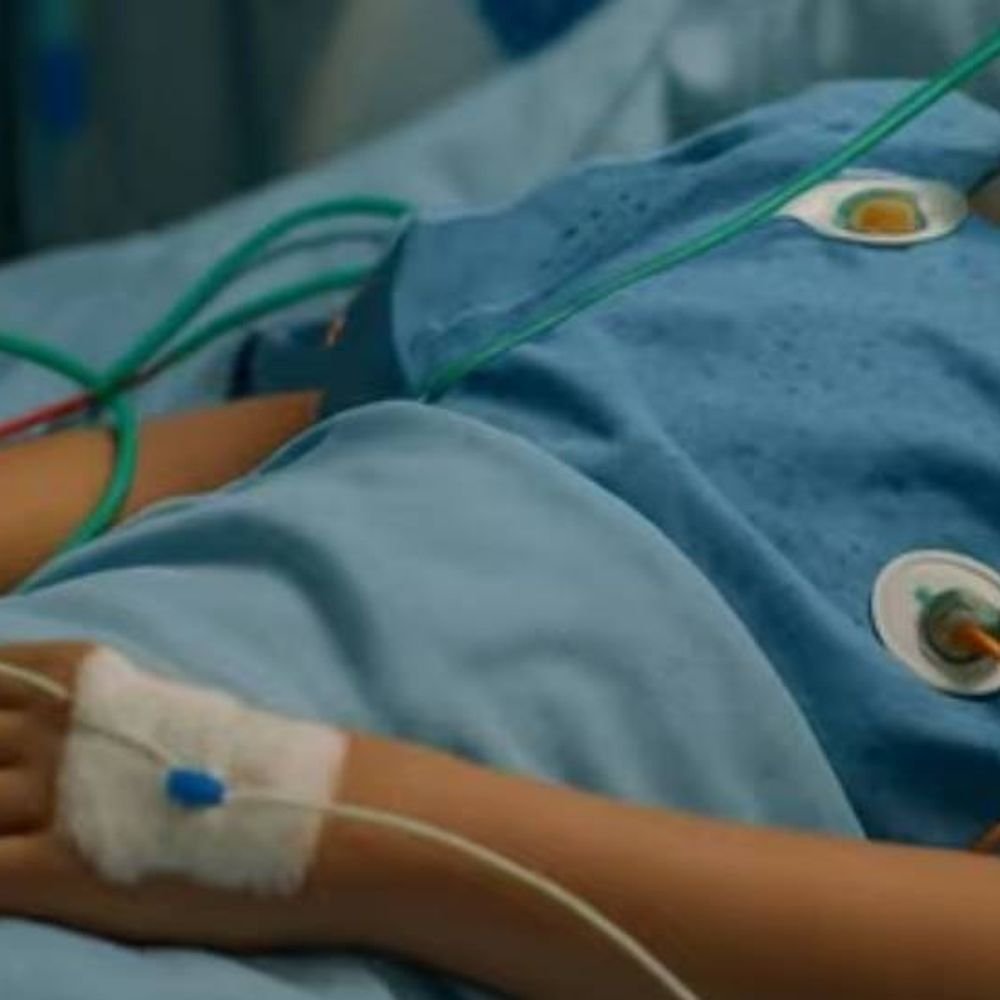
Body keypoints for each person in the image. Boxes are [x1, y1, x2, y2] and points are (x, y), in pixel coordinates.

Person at [1, 79, 1000, 999]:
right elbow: (303, 431)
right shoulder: (855, 145)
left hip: (412, 906)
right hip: (95, 684)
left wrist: (307, 822)